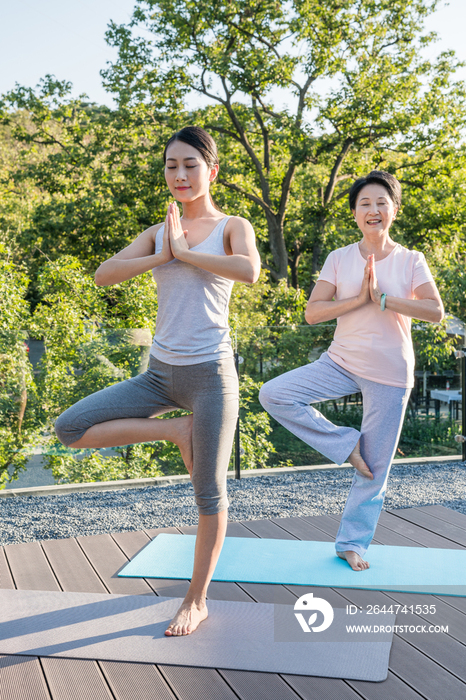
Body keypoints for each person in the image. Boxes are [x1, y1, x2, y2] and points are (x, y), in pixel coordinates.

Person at [55, 126, 261, 635]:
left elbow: (249, 270)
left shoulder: (232, 225)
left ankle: (196, 600)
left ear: (211, 171)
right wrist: (162, 253)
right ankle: (175, 430)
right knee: (70, 428)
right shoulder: (158, 230)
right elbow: (105, 274)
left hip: (212, 376)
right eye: (171, 165)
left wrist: (187, 253)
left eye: (190, 165)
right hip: (159, 376)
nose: (180, 174)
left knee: (209, 493)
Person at [259, 171, 443, 571]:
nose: (373, 210)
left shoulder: (411, 260)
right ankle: (345, 444)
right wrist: (358, 298)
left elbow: (435, 311)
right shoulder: (339, 258)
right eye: (365, 204)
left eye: (381, 202)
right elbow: (313, 312)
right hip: (339, 361)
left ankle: (351, 544)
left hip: (390, 373)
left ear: (394, 209)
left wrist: (384, 300)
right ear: (355, 214)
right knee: (274, 393)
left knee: (374, 472)